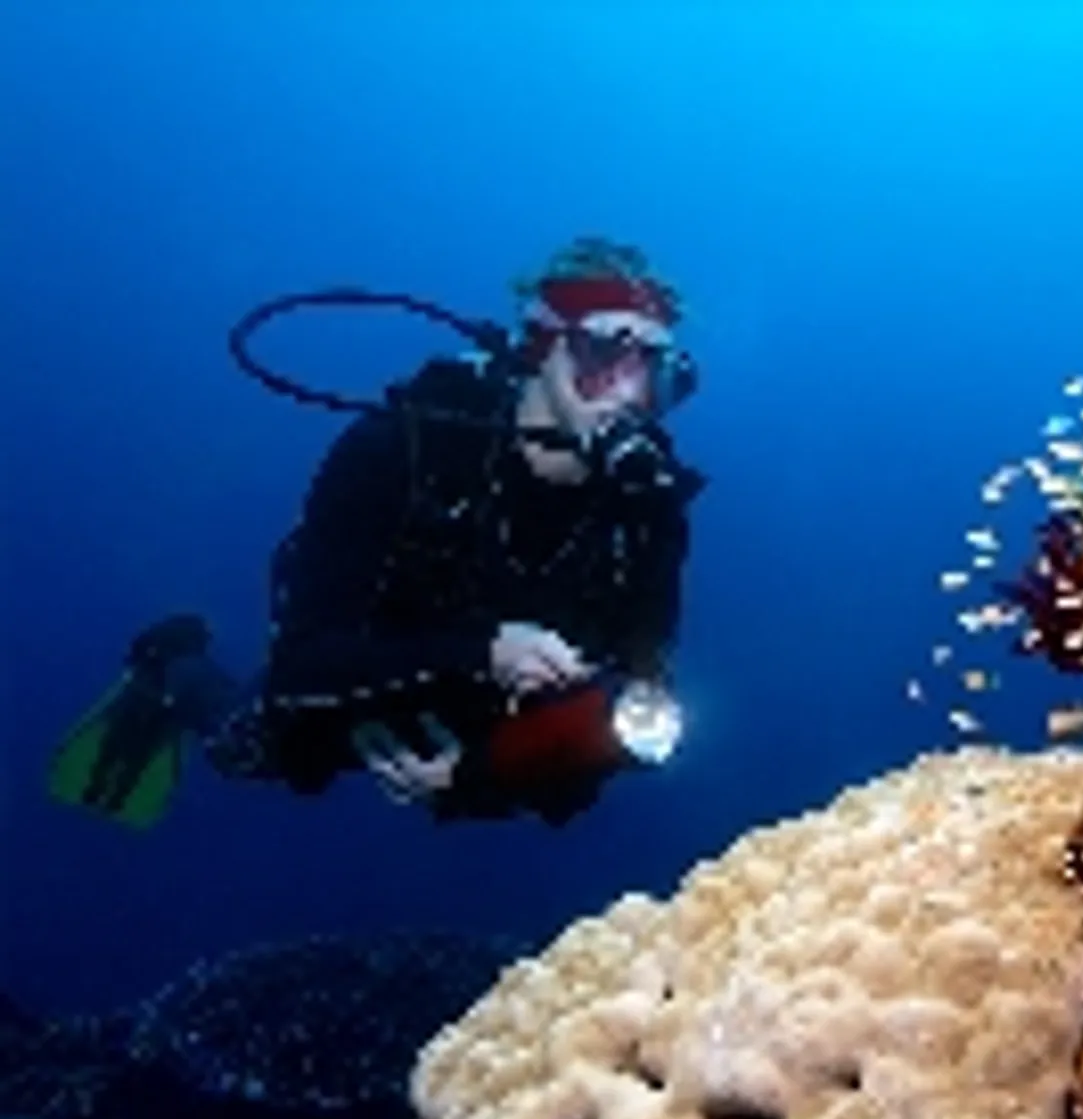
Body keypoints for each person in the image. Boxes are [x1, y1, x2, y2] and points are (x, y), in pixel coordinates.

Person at [48, 237, 706, 827]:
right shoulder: (396, 450)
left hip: (498, 711)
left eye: (654, 370)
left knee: (558, 793)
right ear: (540, 345)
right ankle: (172, 668)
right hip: (371, 662)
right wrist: (482, 651)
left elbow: (642, 702)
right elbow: (303, 668)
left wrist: (483, 775)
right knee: (256, 748)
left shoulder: (647, 503)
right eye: (602, 352)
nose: (626, 392)